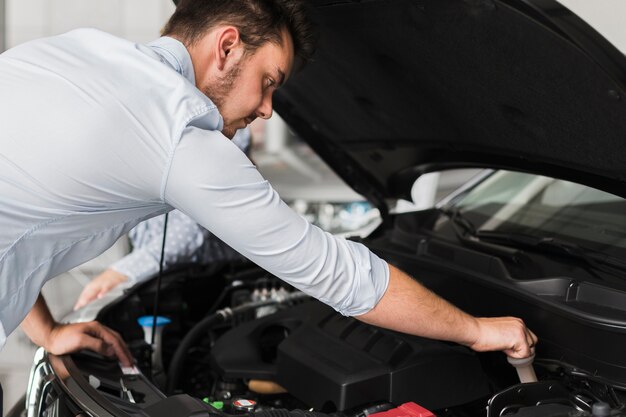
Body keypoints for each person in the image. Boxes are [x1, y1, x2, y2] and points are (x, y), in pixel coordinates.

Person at [0, 0, 537, 369]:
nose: (266, 110)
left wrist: (45, 330)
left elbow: (22, 208)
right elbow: (336, 273)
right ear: (228, 46)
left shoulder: (75, 52)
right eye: (269, 82)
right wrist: (477, 331)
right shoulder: (179, 135)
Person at [73, 132, 250, 311]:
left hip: (214, 282)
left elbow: (191, 227)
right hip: (160, 278)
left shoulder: (219, 127)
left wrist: (120, 272)